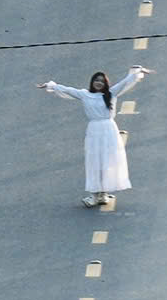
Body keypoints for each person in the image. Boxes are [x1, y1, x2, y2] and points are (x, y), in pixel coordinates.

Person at [38, 65, 152, 209]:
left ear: (106, 84)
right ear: (92, 82)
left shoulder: (111, 93)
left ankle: (103, 194)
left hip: (109, 130)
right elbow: (67, 90)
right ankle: (94, 195)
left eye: (102, 81)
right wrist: (51, 85)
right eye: (96, 80)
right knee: (94, 162)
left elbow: (125, 83)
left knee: (107, 161)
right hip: (94, 131)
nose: (99, 83)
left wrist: (137, 72)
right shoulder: (84, 94)